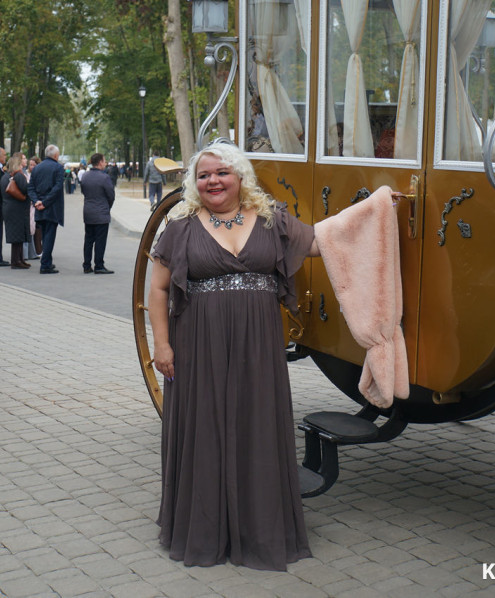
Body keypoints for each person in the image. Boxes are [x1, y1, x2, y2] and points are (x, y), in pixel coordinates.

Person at [148, 140, 320, 571]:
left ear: (240, 177)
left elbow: (320, 243)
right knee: (206, 426)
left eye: (222, 172)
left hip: (258, 347)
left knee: (256, 425)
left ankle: (259, 529)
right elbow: (158, 289)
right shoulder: (181, 225)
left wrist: (373, 209)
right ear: (195, 182)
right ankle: (205, 529)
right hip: (199, 344)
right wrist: (162, 344)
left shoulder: (271, 219)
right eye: (204, 175)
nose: (213, 181)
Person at [28, 144, 65, 274]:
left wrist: (36, 201)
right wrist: (45, 202)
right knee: (49, 236)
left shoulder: (37, 168)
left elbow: (31, 187)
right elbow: (57, 188)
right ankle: (45, 264)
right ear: (55, 155)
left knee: (44, 235)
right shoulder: (58, 168)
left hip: (39, 207)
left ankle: (47, 261)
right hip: (52, 207)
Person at [80, 153, 115, 274]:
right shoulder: (104, 178)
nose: (105, 163)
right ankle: (99, 265)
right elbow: (111, 195)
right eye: (104, 161)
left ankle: (86, 264)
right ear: (100, 162)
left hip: (88, 211)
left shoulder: (85, 176)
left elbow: (83, 191)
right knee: (100, 240)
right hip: (101, 213)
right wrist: (107, 207)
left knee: (88, 239)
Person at [0, 152, 31, 269]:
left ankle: (19, 259)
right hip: (17, 209)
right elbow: (25, 189)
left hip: (10, 208)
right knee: (18, 236)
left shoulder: (5, 176)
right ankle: (16, 261)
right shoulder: (18, 175)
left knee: (17, 236)